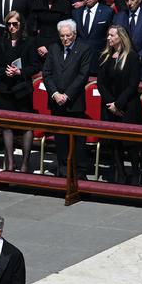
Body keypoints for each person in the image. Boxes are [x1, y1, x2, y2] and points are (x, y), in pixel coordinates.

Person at [42, 19, 92, 178]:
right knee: (61, 139)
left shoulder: (84, 49)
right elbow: (47, 74)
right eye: (62, 36)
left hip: (74, 102)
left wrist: (67, 95)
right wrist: (55, 94)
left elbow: (82, 76)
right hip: (56, 102)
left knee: (78, 140)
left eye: (68, 36)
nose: (65, 39)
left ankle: (80, 171)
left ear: (75, 35)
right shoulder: (54, 48)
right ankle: (63, 170)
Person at [97, 26, 142, 184]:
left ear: (120, 37)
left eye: (111, 35)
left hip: (128, 106)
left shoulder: (131, 56)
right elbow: (101, 83)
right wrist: (110, 103)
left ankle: (136, 173)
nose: (108, 38)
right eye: (108, 35)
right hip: (109, 105)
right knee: (113, 142)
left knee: (131, 143)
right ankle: (120, 173)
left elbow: (133, 84)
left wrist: (118, 104)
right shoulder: (105, 56)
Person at [0, 11, 39, 172]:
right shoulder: (1, 41)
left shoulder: (29, 42)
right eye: (9, 24)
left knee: (26, 125)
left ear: (21, 25)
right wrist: (4, 71)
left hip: (22, 89)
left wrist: (20, 72)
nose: (12, 27)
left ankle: (25, 163)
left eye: (15, 24)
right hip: (6, 88)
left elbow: (35, 66)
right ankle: (10, 162)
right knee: (7, 126)